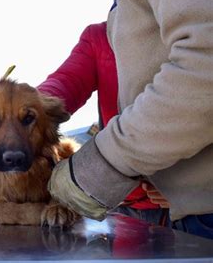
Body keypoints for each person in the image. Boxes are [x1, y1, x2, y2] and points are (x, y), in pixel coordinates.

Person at [48, 0, 213, 239]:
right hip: (128, 199)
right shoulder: (100, 36)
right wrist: (18, 106)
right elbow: (62, 86)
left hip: (183, 202)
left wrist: (189, 189)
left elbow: (201, 75)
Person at [38, 21, 169, 225]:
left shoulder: (186, 25)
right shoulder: (100, 36)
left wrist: (193, 188)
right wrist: (25, 106)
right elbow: (66, 81)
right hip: (123, 201)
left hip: (193, 208)